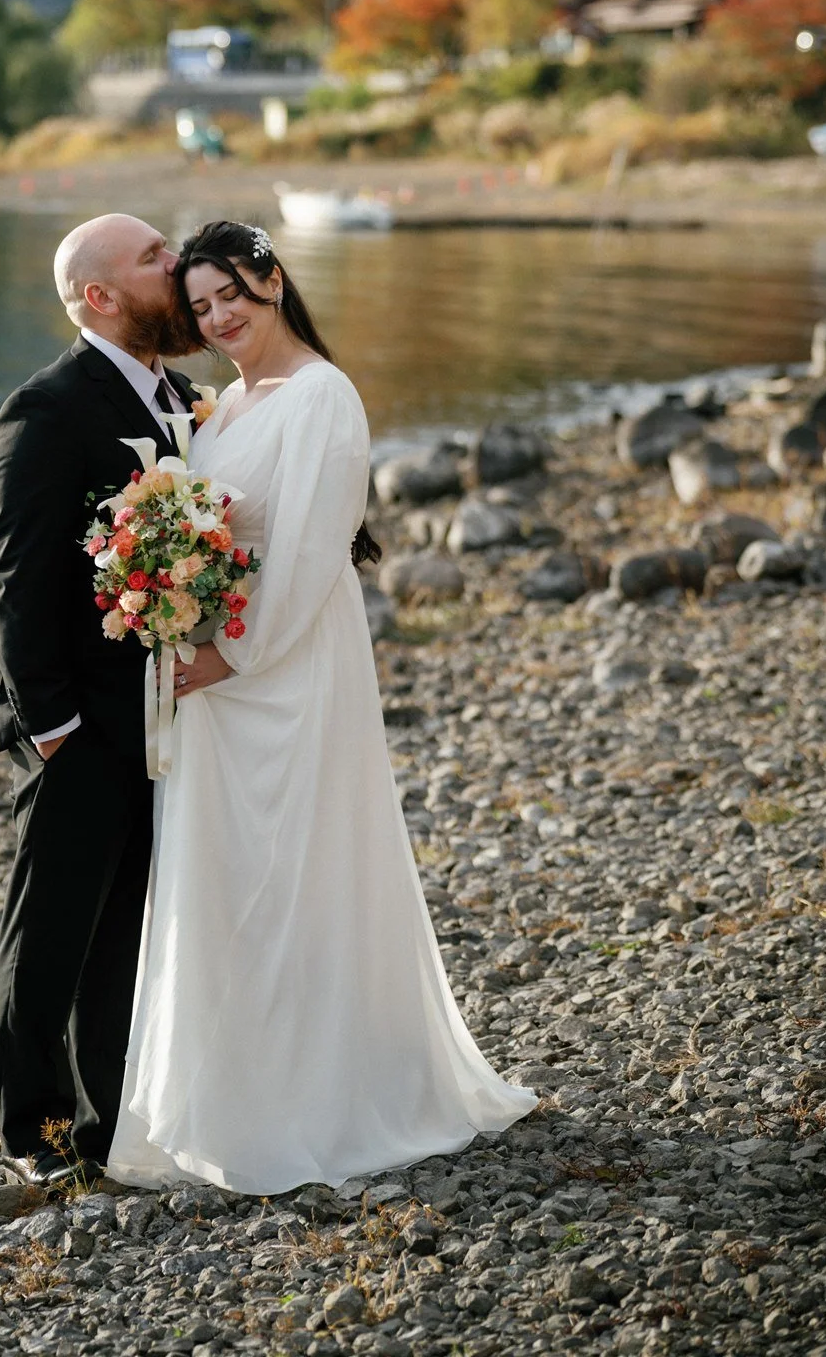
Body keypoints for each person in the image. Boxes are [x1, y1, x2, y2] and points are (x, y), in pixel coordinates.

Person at [107, 218, 536, 1193]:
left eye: (233, 297)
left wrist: (225, 652)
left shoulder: (323, 397)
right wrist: (169, 594)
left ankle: (324, 1097)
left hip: (288, 669)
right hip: (221, 676)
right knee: (228, 872)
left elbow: (304, 549)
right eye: (202, 306)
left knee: (295, 864)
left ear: (273, 278)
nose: (220, 319)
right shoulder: (227, 407)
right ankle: (230, 1092)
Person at [0, 212, 199, 1186]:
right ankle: (34, 1124)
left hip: (166, 719)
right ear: (101, 296)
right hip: (79, 726)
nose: (180, 264)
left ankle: (113, 1118)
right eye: (157, 256)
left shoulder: (184, 398)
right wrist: (54, 727)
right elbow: (21, 581)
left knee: (129, 927)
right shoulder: (46, 408)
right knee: (53, 928)